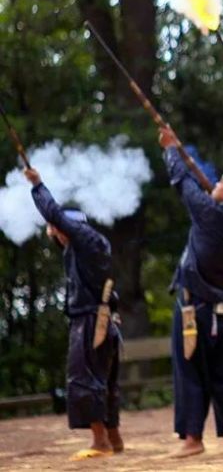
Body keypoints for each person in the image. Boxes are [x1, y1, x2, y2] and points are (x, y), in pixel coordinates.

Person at [158, 127, 223, 457]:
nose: (217, 183)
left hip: (194, 308)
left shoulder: (212, 215)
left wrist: (172, 150)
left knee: (189, 373)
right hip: (221, 309)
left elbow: (185, 186)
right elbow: (198, 190)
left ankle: (192, 439)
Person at [24, 167, 123, 460]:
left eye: (59, 228)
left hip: (90, 320)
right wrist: (56, 231)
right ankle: (114, 439)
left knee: (84, 379)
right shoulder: (88, 247)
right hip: (102, 318)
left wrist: (37, 184)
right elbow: (60, 231)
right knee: (104, 382)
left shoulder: (85, 241)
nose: (55, 232)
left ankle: (100, 441)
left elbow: (54, 214)